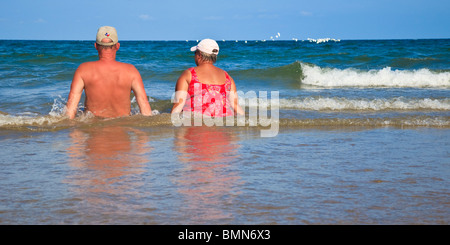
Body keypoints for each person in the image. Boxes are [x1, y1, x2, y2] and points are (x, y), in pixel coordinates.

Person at [66, 26, 152, 119]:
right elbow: (145, 109)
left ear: (95, 46)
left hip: (94, 129)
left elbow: (71, 108)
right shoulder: (131, 71)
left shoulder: (83, 70)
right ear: (117, 46)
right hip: (122, 128)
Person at [171, 39, 244, 117]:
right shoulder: (228, 77)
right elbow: (236, 106)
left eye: (195, 53)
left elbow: (179, 104)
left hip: (196, 124)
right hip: (223, 125)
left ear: (199, 54)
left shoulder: (189, 74)